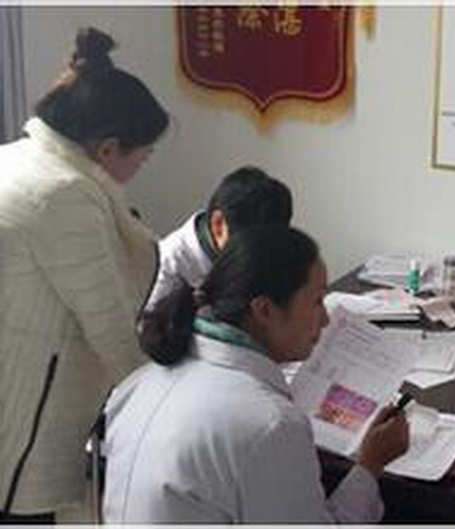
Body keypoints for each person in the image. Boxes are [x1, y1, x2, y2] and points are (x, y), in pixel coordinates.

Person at [102, 225, 409, 523]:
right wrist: (370, 466)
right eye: (317, 301)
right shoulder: (271, 425)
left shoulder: (138, 383)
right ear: (264, 311)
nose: (326, 319)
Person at [0, 28, 168, 521]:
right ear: (109, 148)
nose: (143, 165)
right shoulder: (62, 196)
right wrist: (167, 403)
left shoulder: (16, 157)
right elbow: (109, 328)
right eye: (144, 155)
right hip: (20, 416)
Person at [146, 166, 293, 308]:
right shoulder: (164, 272)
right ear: (218, 225)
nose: (258, 260)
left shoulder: (263, 251)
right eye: (252, 248)